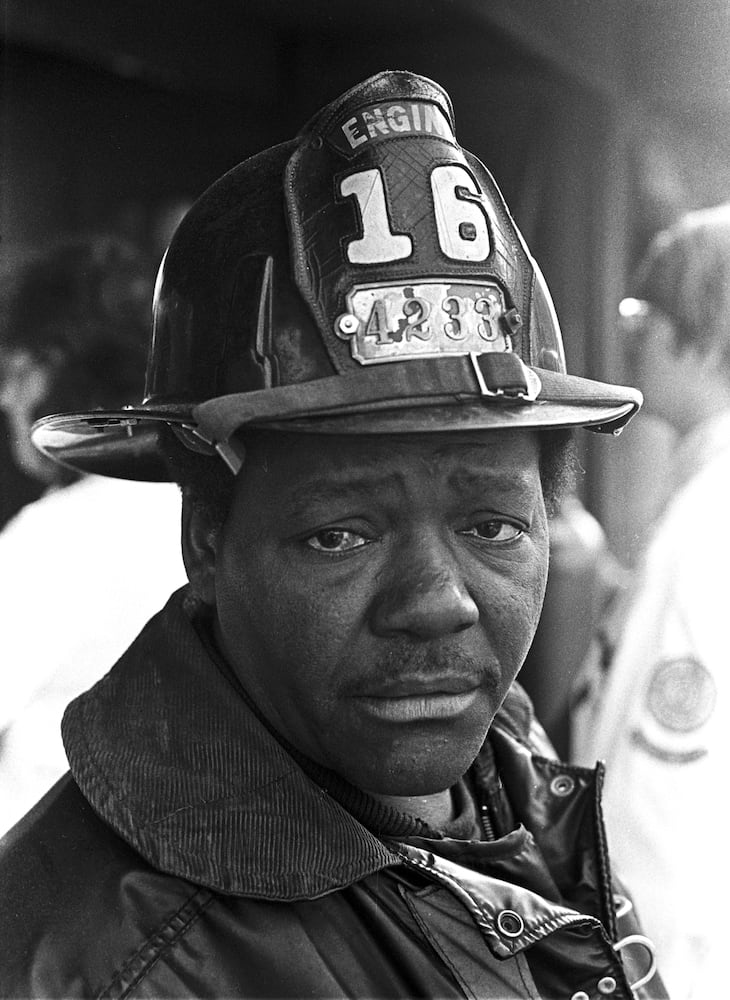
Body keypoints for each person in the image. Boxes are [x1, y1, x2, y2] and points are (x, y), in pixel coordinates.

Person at [0, 71, 663, 998]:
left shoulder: (506, 747)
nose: (439, 603)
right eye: (341, 535)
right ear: (206, 542)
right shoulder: (113, 969)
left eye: (493, 524)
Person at [571, 205, 730, 999]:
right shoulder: (701, 497)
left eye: (644, 314)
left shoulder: (708, 524)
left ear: (700, 331)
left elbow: (662, 794)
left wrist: (619, 962)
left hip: (657, 959)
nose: (631, 336)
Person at [0, 235, 186, 834]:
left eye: (14, 371)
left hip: (39, 864)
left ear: (60, 365)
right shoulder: (200, 510)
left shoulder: (58, 534)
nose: (4, 397)